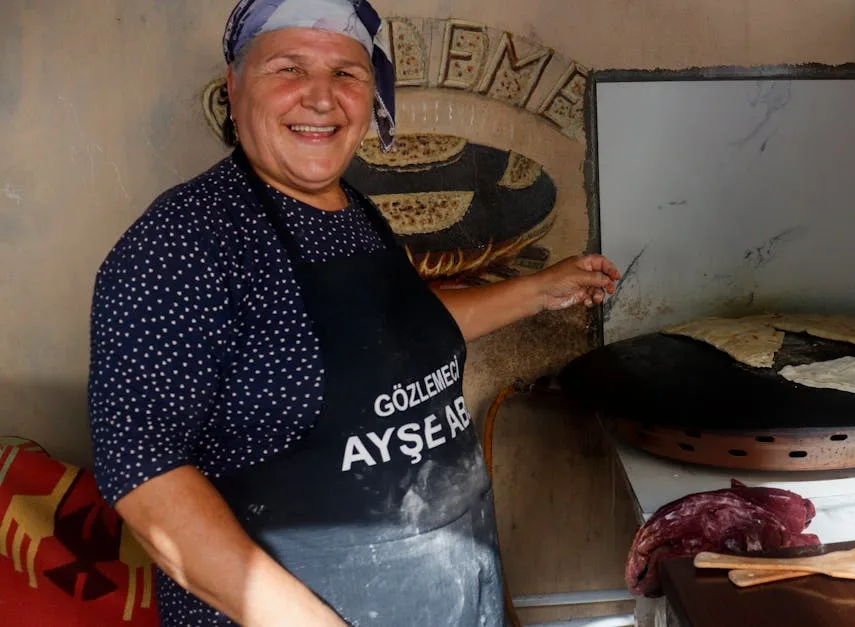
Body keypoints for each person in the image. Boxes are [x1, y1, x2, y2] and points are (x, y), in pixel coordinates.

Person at [86, 1, 620, 625]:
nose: (321, 98)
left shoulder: (357, 213)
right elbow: (145, 471)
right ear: (234, 88)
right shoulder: (184, 242)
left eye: (347, 73)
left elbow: (401, 332)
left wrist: (539, 290)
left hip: (451, 590)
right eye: (288, 69)